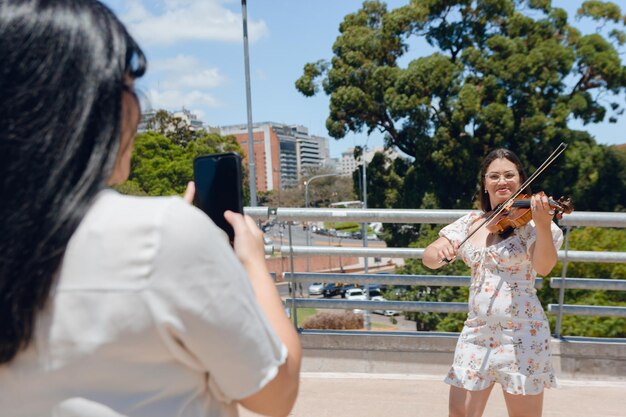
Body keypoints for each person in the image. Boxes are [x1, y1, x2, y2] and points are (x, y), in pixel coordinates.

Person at [0, 1, 301, 416]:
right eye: (128, 87)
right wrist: (250, 261)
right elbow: (276, 393)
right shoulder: (161, 235)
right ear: (87, 101)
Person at [422, 149, 563, 417]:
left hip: (521, 335)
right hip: (476, 333)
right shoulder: (471, 223)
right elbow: (429, 256)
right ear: (485, 184)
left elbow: (544, 267)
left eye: (509, 175)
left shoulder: (534, 225)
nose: (502, 181)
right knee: (459, 413)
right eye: (494, 176)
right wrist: (439, 253)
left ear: (521, 180)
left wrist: (544, 225)